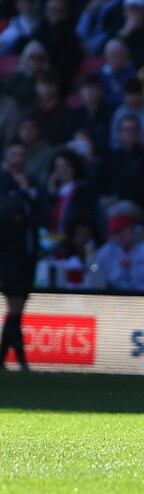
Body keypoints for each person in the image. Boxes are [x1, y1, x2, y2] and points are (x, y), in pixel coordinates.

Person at [0, 141, 41, 371]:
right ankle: (22, 360)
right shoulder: (4, 181)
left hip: (28, 254)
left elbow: (42, 214)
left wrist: (22, 216)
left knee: (17, 307)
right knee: (15, 305)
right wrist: (22, 195)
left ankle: (4, 358)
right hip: (9, 254)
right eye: (14, 153)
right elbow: (4, 214)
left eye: (22, 154)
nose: (19, 158)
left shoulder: (33, 181)